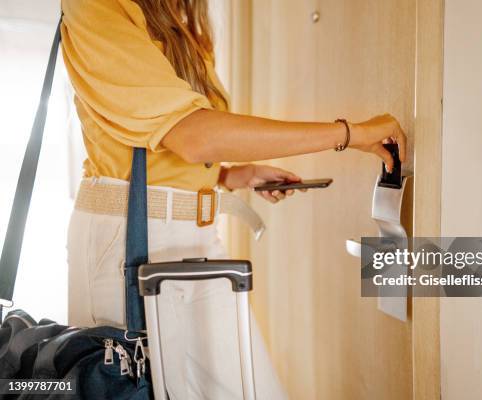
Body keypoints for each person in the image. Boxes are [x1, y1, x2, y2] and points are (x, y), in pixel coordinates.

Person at [61, 0, 408, 399]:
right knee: (133, 385)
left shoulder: (182, 21)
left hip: (193, 236)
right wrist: (349, 134)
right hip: (126, 244)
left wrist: (228, 176)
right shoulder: (97, 7)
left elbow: (169, 147)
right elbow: (193, 135)